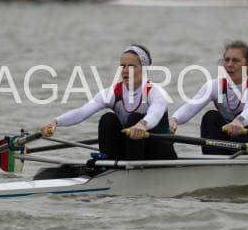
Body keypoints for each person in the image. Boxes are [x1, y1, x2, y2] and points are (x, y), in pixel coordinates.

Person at [41, 45, 176, 161]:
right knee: (107, 119)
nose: (125, 71)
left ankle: (131, 171)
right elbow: (81, 113)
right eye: (123, 66)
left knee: (135, 119)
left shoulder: (156, 92)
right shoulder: (113, 92)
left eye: (131, 66)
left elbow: (155, 114)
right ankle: (110, 166)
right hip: (132, 151)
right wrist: (56, 122)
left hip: (160, 153)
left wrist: (143, 124)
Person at [169, 40, 248, 154]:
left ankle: (239, 160)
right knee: (210, 116)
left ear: (247, 65)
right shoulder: (214, 86)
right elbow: (191, 106)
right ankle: (214, 159)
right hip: (234, 142)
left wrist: (239, 121)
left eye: (235, 60)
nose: (229, 64)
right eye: (227, 60)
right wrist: (174, 120)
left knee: (242, 120)